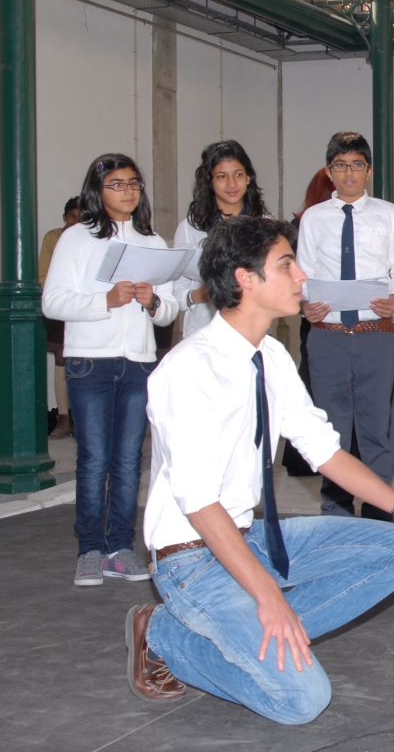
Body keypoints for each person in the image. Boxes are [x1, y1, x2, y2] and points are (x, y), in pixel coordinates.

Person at [128, 216, 394, 721]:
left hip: (250, 537)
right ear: (246, 279)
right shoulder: (186, 371)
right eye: (287, 263)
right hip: (192, 561)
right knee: (302, 700)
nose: (301, 275)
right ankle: (162, 634)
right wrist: (268, 596)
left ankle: (252, 627)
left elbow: (325, 452)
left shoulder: (270, 355)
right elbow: (200, 504)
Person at [42, 154, 179, 587]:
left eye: (134, 183)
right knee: (94, 458)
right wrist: (107, 300)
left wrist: (152, 301)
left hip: (138, 363)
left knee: (126, 461)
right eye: (117, 184)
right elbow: (53, 302)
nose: (128, 191)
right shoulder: (77, 238)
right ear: (97, 191)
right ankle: (90, 549)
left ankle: (120, 547)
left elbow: (169, 310)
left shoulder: (153, 242)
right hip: (90, 362)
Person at [297, 132, 394, 519]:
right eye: (341, 166)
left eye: (357, 165)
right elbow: (303, 275)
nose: (349, 173)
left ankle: (380, 516)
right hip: (327, 338)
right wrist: (305, 305)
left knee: (374, 432)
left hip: (375, 337)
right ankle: (336, 516)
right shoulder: (313, 219)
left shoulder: (387, 213)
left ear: (369, 171)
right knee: (331, 436)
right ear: (330, 172)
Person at [174, 141, 272, 338]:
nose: (232, 184)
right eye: (221, 176)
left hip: (254, 332)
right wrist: (198, 295)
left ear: (248, 178)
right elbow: (175, 291)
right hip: (203, 333)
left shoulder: (265, 225)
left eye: (238, 174)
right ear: (209, 181)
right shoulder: (190, 228)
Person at [279, 168, 338, 478]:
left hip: (334, 315)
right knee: (311, 385)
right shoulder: (299, 228)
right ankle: (304, 457)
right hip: (314, 316)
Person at [39, 196, 81, 439]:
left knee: (86, 358)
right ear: (65, 218)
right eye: (71, 216)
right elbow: (43, 275)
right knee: (61, 357)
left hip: (87, 307)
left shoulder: (95, 238)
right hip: (59, 305)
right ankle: (63, 417)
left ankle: (79, 416)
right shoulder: (53, 238)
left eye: (81, 217)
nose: (75, 222)